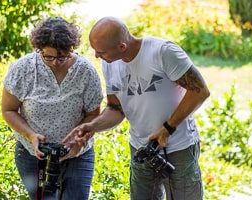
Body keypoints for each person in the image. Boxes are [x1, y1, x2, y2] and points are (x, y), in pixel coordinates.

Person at [63, 17, 210, 200]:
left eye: (100, 52)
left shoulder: (162, 52)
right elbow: (116, 109)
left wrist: (167, 128)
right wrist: (91, 126)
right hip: (141, 149)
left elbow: (200, 92)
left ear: (122, 47)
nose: (96, 56)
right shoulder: (110, 64)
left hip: (178, 147)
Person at [1, 16, 103, 200]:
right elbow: (8, 110)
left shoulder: (86, 72)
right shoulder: (23, 69)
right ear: (39, 49)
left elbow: (93, 115)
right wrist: (30, 135)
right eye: (48, 56)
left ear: (71, 49)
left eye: (62, 56)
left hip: (77, 155)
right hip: (33, 156)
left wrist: (77, 140)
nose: (55, 62)